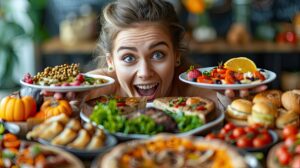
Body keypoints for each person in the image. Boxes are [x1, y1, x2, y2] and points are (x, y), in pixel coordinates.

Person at [50, 0, 266, 104]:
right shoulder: (96, 93)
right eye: (128, 58)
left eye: (158, 55)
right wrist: (71, 105)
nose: (145, 72)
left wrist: (234, 103)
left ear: (176, 55)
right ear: (111, 62)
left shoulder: (202, 97)